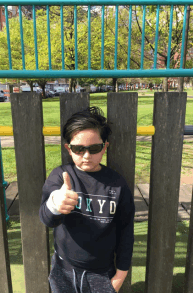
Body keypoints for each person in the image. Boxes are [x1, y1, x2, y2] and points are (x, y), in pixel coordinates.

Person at [39, 106, 135, 293]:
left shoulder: (117, 184)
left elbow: (126, 231)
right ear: (68, 148)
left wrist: (120, 275)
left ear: (105, 146)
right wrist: (55, 204)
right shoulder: (60, 176)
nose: (86, 156)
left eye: (94, 148)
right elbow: (46, 218)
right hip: (63, 268)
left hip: (102, 273)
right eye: (78, 149)